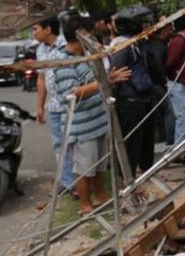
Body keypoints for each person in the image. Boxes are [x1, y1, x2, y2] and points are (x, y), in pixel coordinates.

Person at [53, 15, 131, 215]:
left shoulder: (86, 55)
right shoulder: (63, 62)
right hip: (82, 125)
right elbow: (71, 93)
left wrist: (107, 80)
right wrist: (106, 81)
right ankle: (85, 205)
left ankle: (101, 196)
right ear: (79, 34)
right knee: (84, 168)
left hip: (97, 121)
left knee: (98, 165)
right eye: (88, 33)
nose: (91, 36)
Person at [111, 6, 157, 174]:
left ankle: (144, 176)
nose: (145, 27)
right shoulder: (122, 46)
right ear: (132, 25)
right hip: (131, 103)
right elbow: (117, 74)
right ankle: (128, 183)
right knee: (131, 147)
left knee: (146, 145)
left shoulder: (137, 44)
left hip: (143, 100)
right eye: (142, 24)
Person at [32, 17, 73, 193]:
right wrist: (40, 106)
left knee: (72, 142)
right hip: (53, 107)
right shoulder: (40, 50)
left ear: (48, 29)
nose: (34, 33)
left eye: (35, 28)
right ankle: (67, 182)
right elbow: (41, 79)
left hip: (69, 103)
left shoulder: (67, 44)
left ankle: (78, 181)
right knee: (59, 144)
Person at [166, 15, 185, 159]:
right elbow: (170, 62)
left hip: (180, 83)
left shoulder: (182, 41)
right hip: (176, 83)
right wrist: (174, 73)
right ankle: (179, 151)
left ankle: (184, 148)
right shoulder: (179, 42)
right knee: (182, 117)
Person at [147, 17, 175, 148]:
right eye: (169, 29)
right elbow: (158, 63)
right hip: (158, 83)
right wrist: (164, 80)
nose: (171, 32)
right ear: (163, 31)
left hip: (154, 82)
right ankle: (170, 139)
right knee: (169, 111)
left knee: (161, 111)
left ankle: (163, 138)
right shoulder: (158, 46)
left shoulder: (154, 44)